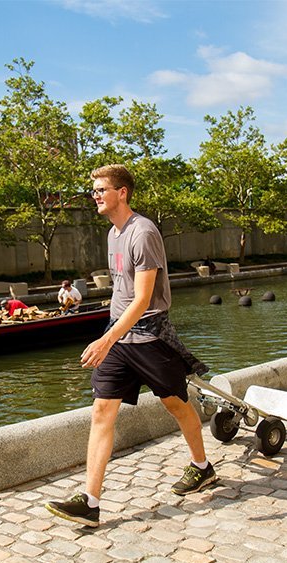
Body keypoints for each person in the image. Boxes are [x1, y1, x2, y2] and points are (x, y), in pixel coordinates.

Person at [45, 164, 215, 528]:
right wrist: (111, 333)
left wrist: (105, 339)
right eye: (93, 190)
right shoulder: (113, 234)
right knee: (101, 410)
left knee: (176, 404)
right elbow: (119, 295)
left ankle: (202, 466)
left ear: (122, 192)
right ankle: (90, 501)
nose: (95, 196)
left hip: (150, 336)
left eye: (100, 190)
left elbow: (142, 300)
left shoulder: (143, 232)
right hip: (121, 338)